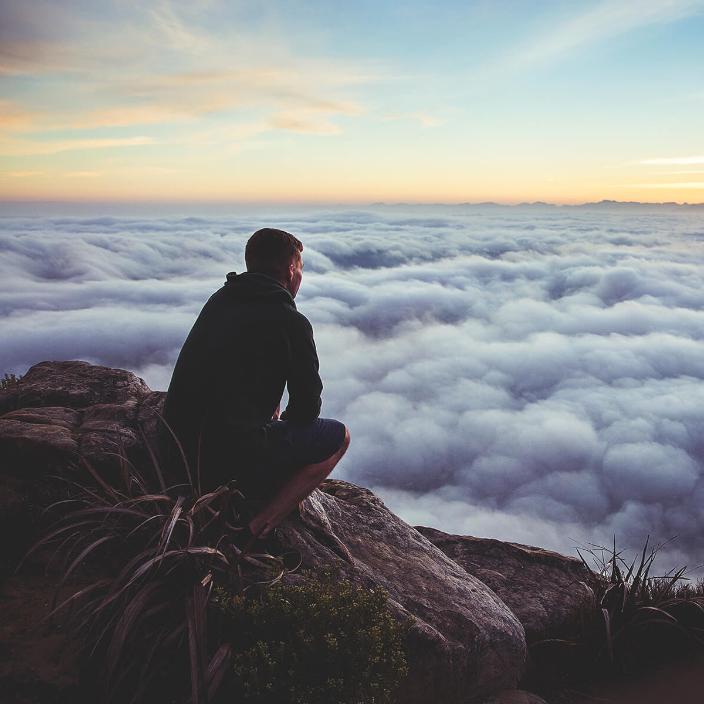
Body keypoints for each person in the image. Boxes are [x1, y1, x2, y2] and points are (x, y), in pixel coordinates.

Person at [161, 227, 350, 544]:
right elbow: (307, 408)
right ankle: (254, 529)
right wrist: (276, 426)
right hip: (225, 462)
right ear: (291, 270)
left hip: (176, 450)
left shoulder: (220, 300)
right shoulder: (291, 321)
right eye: (300, 269)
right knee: (338, 437)